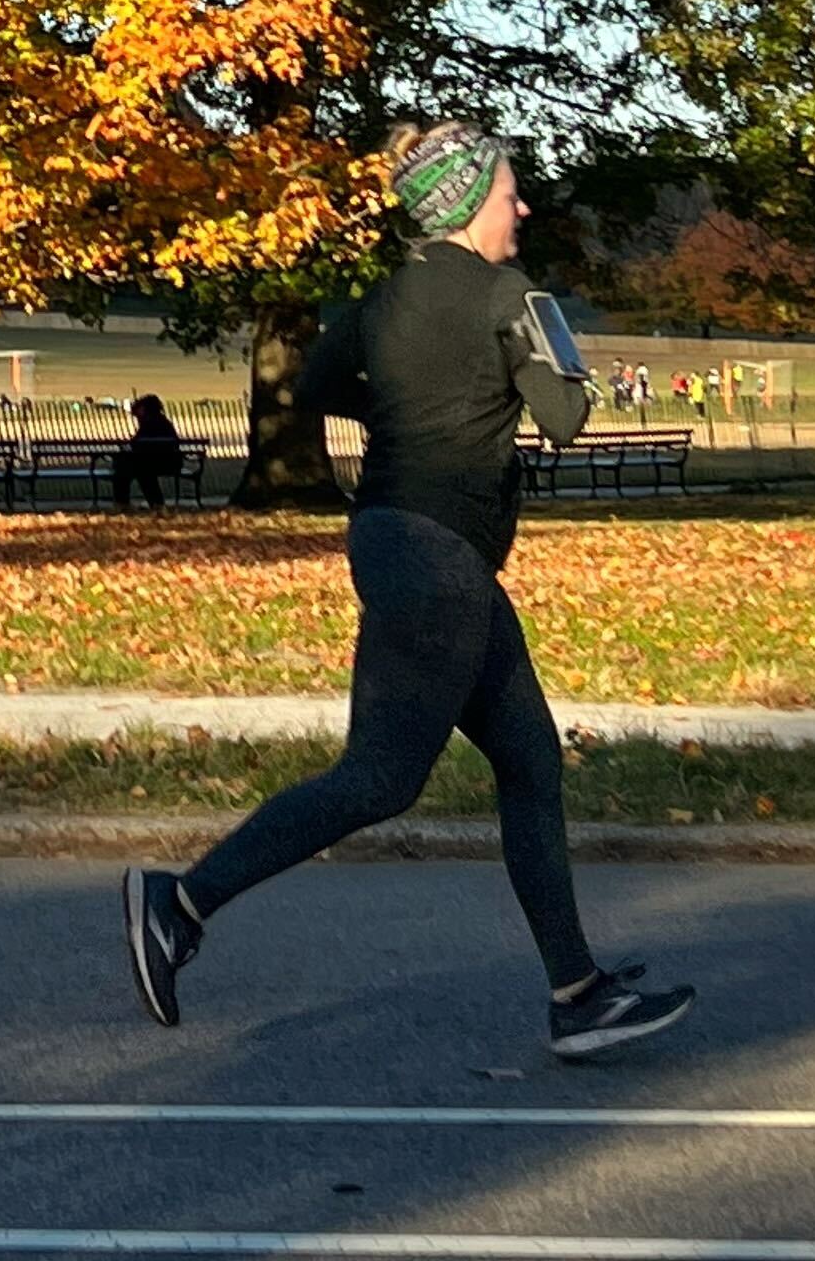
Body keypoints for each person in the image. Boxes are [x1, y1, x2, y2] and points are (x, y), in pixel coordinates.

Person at [120, 121, 690, 1061]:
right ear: (471, 205)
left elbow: (308, 383)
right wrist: (556, 347)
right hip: (437, 560)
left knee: (531, 765)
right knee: (380, 778)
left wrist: (398, 398)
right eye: (513, 193)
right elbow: (564, 419)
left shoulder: (383, 301)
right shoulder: (512, 297)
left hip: (401, 542)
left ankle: (578, 992)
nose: (525, 207)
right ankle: (178, 904)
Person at [112, 391, 185, 511]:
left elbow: (137, 444)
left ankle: (124, 503)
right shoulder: (162, 422)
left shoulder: (150, 424)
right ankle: (156, 503)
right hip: (167, 461)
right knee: (138, 470)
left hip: (160, 462)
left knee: (130, 469)